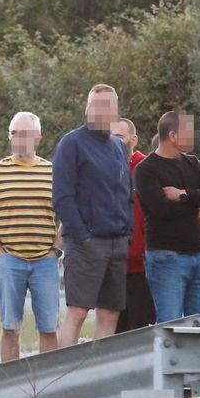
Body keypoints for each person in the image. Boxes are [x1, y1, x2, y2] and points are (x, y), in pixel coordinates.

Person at [0, 112, 60, 362]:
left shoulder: (52, 171)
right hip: (10, 260)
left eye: (25, 134)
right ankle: (11, 383)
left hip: (45, 260)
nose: (19, 139)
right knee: (10, 327)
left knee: (48, 327)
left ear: (38, 137)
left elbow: (69, 213)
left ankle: (47, 381)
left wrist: (56, 249)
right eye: (14, 134)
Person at [51, 84, 131, 343]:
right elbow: (62, 196)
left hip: (117, 242)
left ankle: (97, 376)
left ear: (116, 110)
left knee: (110, 314)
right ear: (87, 108)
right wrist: (82, 235)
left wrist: (126, 231)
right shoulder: (71, 144)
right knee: (78, 312)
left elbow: (125, 193)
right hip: (85, 243)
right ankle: (67, 378)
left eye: (108, 106)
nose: (102, 111)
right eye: (97, 105)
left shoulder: (119, 147)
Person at [133, 111, 200, 322]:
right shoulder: (146, 170)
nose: (193, 137)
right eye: (189, 132)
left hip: (199, 256)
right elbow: (160, 210)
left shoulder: (192, 163)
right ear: (173, 135)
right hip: (166, 258)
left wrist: (183, 195)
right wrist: (196, 202)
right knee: (170, 324)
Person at [110, 118, 155, 332]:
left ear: (133, 139)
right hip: (112, 266)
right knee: (114, 332)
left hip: (143, 268)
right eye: (110, 137)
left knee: (141, 330)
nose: (114, 141)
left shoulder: (147, 168)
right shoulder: (103, 170)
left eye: (119, 136)